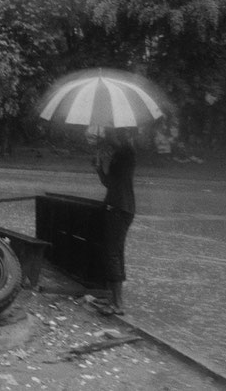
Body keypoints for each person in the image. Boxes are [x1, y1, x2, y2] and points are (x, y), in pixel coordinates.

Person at [93, 127, 135, 316]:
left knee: (113, 253)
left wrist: (106, 152)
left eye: (113, 134)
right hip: (117, 206)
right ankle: (114, 299)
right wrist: (99, 167)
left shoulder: (127, 153)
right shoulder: (121, 154)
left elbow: (114, 182)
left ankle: (118, 304)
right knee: (113, 252)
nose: (110, 138)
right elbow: (109, 183)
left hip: (119, 208)